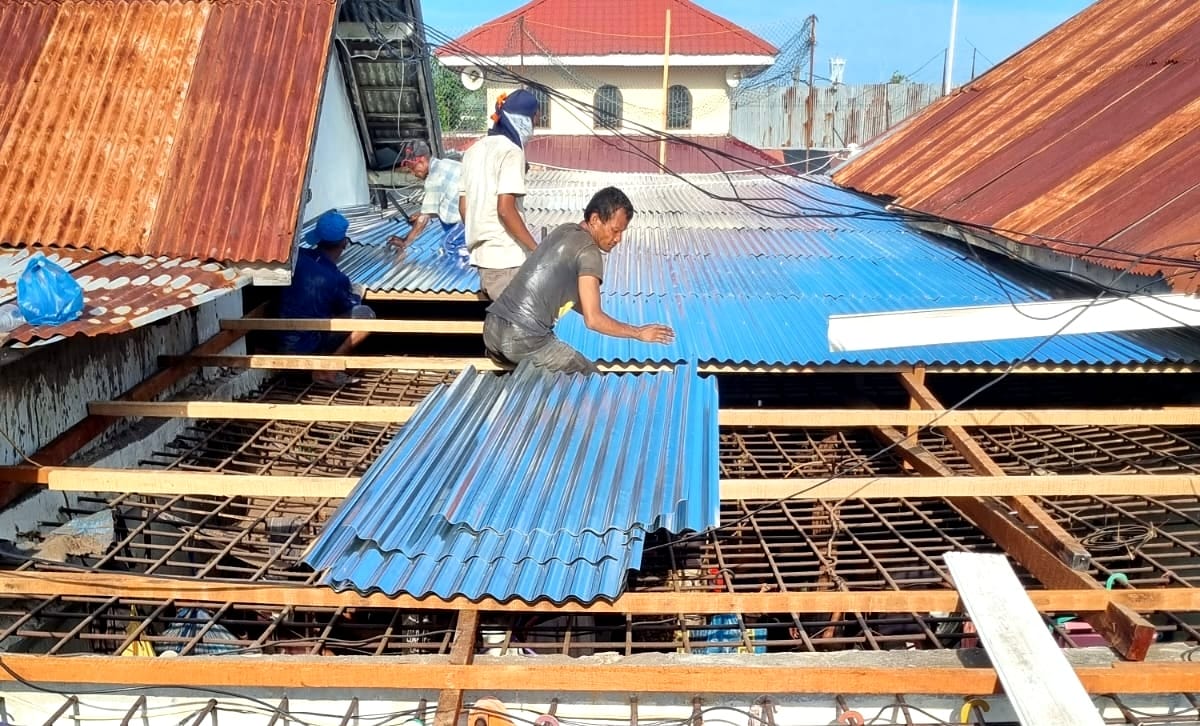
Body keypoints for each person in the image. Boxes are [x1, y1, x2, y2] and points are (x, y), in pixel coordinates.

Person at [482, 186, 674, 374]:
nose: (618, 239)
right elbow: (593, 320)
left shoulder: (564, 231)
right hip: (522, 338)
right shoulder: (589, 252)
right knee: (590, 381)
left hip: (492, 330)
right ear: (595, 219)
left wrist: (601, 315)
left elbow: (568, 297)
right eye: (615, 231)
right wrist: (638, 333)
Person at [458, 88, 541, 300]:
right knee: (522, 329)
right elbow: (505, 209)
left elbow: (464, 207)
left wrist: (482, 235)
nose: (534, 128)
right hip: (507, 260)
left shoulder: (472, 152)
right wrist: (536, 250)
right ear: (523, 119)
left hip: (483, 262)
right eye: (534, 120)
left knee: (503, 326)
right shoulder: (512, 151)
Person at [278, 210, 375, 385]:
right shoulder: (337, 279)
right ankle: (328, 369)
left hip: (279, 340)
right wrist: (357, 294)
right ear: (344, 243)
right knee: (366, 315)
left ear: (317, 239)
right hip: (307, 346)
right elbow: (350, 307)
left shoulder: (296, 257)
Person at [388, 140, 465, 251]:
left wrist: (405, 242)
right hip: (479, 215)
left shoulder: (433, 179)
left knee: (449, 247)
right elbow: (447, 202)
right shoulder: (446, 163)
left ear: (422, 161)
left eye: (413, 168)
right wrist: (422, 213)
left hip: (465, 225)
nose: (414, 173)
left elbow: (423, 220)